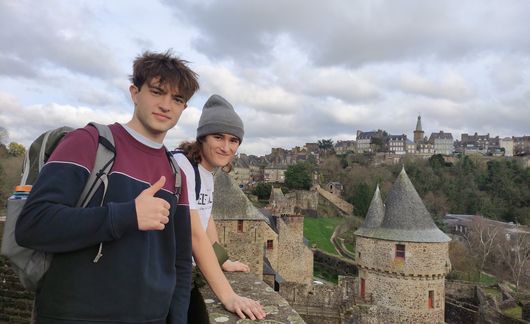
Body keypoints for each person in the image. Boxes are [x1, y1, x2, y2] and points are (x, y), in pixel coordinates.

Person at [15, 50, 199, 323]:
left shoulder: (176, 173)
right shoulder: (88, 143)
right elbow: (33, 224)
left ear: (184, 108)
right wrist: (126, 215)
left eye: (177, 99)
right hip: (74, 315)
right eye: (157, 92)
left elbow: (180, 261)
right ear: (135, 92)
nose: (166, 105)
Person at [173, 94, 265, 323]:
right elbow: (194, 232)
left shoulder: (206, 172)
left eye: (233, 140)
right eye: (218, 137)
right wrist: (229, 296)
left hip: (181, 273)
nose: (226, 147)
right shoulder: (182, 166)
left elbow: (206, 217)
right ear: (202, 138)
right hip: (166, 274)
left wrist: (222, 260)